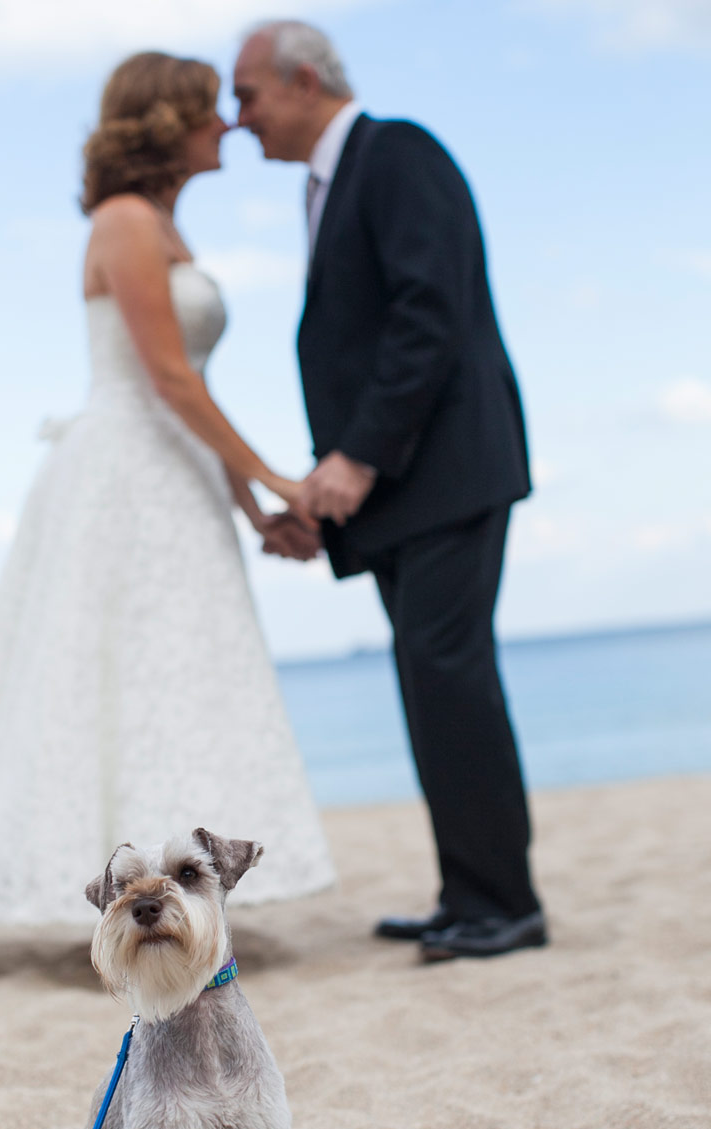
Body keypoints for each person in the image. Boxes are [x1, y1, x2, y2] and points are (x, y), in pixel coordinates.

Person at [0, 51, 334, 926]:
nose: (228, 125)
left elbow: (190, 386)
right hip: (127, 477)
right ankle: (120, 902)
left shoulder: (165, 228)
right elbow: (168, 382)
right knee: (110, 677)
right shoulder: (127, 221)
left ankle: (178, 897)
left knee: (182, 676)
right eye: (212, 110)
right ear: (168, 123)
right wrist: (280, 475)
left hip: (178, 474)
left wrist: (251, 508)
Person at [233, 21, 546, 961]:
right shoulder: (329, 185)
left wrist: (358, 460)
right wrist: (330, 514)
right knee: (430, 681)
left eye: (246, 95)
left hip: (446, 472)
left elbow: (428, 313)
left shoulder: (396, 151)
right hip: (408, 487)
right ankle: (472, 895)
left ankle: (503, 904)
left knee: (448, 676)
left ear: (301, 79)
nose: (236, 118)